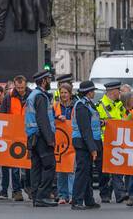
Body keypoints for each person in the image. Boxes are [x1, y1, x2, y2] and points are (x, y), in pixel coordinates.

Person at [25, 69, 58, 207]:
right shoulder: (40, 97)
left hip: (34, 137)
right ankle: (42, 196)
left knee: (36, 167)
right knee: (50, 165)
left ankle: (36, 197)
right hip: (41, 137)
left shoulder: (34, 95)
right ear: (43, 81)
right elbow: (42, 119)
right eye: (49, 79)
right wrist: (50, 139)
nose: (50, 82)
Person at [70, 81, 102, 209]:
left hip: (86, 143)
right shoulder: (81, 106)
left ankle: (88, 200)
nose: (94, 92)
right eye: (93, 90)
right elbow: (85, 129)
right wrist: (92, 148)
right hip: (83, 144)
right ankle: (76, 201)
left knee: (87, 172)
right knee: (82, 172)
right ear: (89, 92)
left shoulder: (87, 104)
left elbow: (91, 124)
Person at [0, 75, 29, 201]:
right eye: (18, 87)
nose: (20, 90)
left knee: (28, 165)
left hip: (27, 133)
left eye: (22, 87)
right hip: (14, 134)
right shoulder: (8, 97)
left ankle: (29, 187)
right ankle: (17, 191)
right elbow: (2, 115)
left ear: (25, 85)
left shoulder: (31, 96)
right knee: (15, 165)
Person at [96, 81, 128, 202]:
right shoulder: (99, 106)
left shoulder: (119, 105)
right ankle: (105, 193)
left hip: (118, 142)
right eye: (118, 91)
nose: (119, 93)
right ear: (112, 92)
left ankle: (120, 193)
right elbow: (96, 123)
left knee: (117, 168)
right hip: (104, 142)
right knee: (103, 171)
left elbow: (125, 120)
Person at [54, 82, 76, 205]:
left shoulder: (75, 106)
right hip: (60, 141)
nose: (63, 95)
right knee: (61, 169)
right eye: (61, 93)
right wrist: (57, 118)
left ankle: (72, 195)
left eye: (65, 93)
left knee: (72, 169)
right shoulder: (56, 106)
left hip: (72, 141)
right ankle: (62, 195)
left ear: (70, 93)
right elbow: (51, 117)